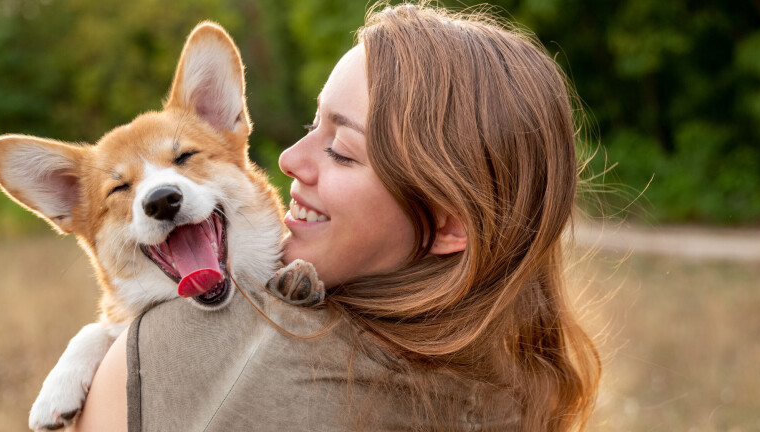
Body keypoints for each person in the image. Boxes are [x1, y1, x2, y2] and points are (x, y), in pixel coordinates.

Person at [74, 3, 600, 431]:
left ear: (448, 224)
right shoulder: (518, 389)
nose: (286, 161)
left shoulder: (199, 347)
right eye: (311, 123)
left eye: (343, 151)